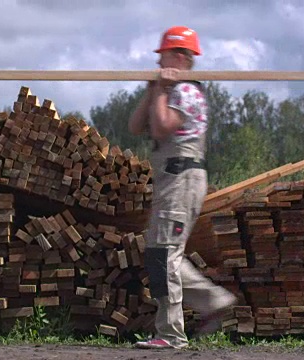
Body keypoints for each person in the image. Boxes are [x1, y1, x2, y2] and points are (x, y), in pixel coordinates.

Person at [129, 26, 238, 349]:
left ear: (177, 55)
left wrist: (162, 90)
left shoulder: (187, 93)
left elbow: (162, 127)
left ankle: (171, 333)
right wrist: (153, 90)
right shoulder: (170, 90)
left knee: (164, 255)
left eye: (162, 53)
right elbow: (136, 127)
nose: (159, 59)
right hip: (172, 178)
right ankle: (213, 301)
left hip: (182, 177)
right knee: (160, 253)